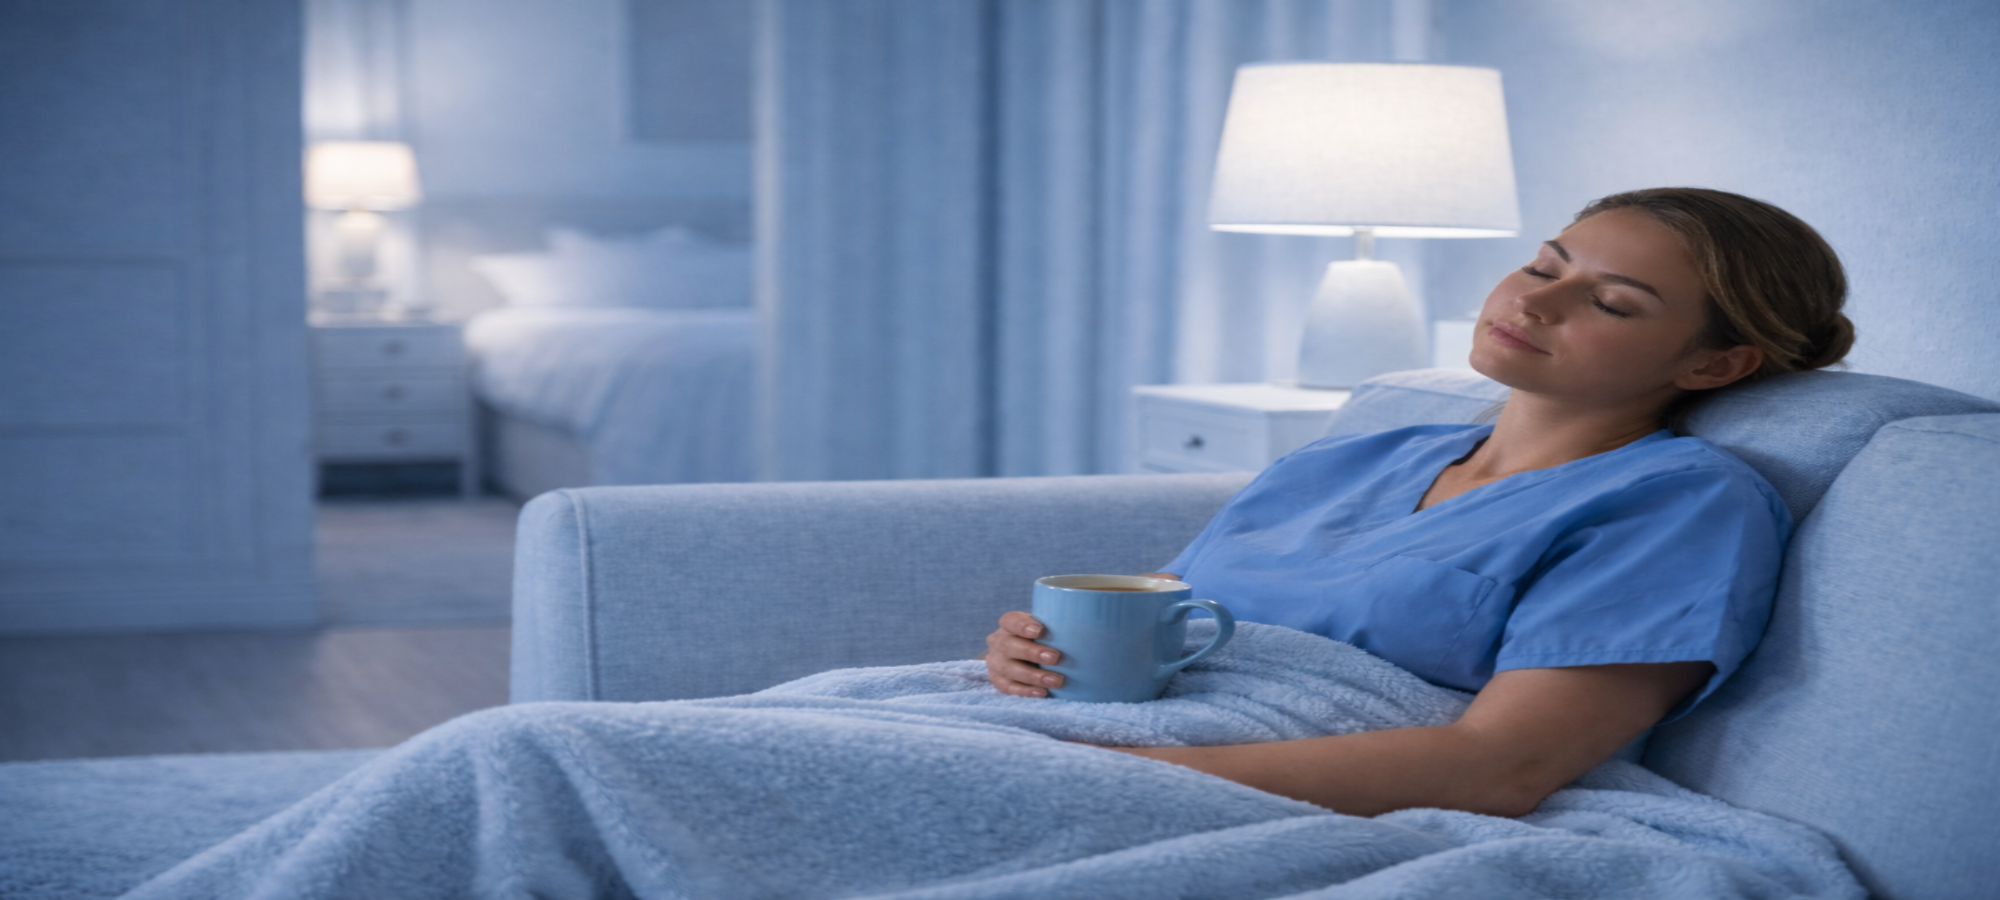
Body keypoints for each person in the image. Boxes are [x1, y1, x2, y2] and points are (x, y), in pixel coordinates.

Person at [985, 186, 1855, 819]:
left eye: (1610, 303)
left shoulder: (1680, 507)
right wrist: (1037, 656)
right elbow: (1162, 616)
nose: (1534, 301)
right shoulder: (1356, 456)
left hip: (1245, 783)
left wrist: (1122, 774)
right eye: (1542, 265)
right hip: (1116, 739)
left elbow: (1502, 768)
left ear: (1713, 366)